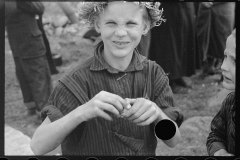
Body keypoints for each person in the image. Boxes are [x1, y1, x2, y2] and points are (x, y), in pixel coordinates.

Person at [30, 2, 183, 155]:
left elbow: (173, 141)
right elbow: (38, 146)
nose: (121, 33)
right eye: (111, 23)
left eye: (131, 23)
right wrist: (81, 112)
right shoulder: (75, 81)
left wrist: (157, 114)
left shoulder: (154, 74)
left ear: (145, 27)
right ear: (97, 25)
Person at [5, 1, 53, 118]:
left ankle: (31, 108)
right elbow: (39, 8)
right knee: (40, 78)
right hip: (31, 43)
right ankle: (44, 114)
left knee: (24, 76)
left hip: (16, 44)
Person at [148, 2, 196, 94]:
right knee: (168, 43)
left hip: (181, 6)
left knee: (181, 39)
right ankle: (169, 81)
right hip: (166, 7)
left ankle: (178, 75)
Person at [206, 29, 236, 156]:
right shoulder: (231, 102)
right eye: (225, 57)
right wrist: (220, 152)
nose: (223, 66)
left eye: (234, 60)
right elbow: (216, 135)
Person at [196, 2, 235, 77]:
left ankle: (226, 73)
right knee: (206, 36)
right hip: (205, 6)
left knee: (224, 38)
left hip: (224, 5)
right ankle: (208, 66)